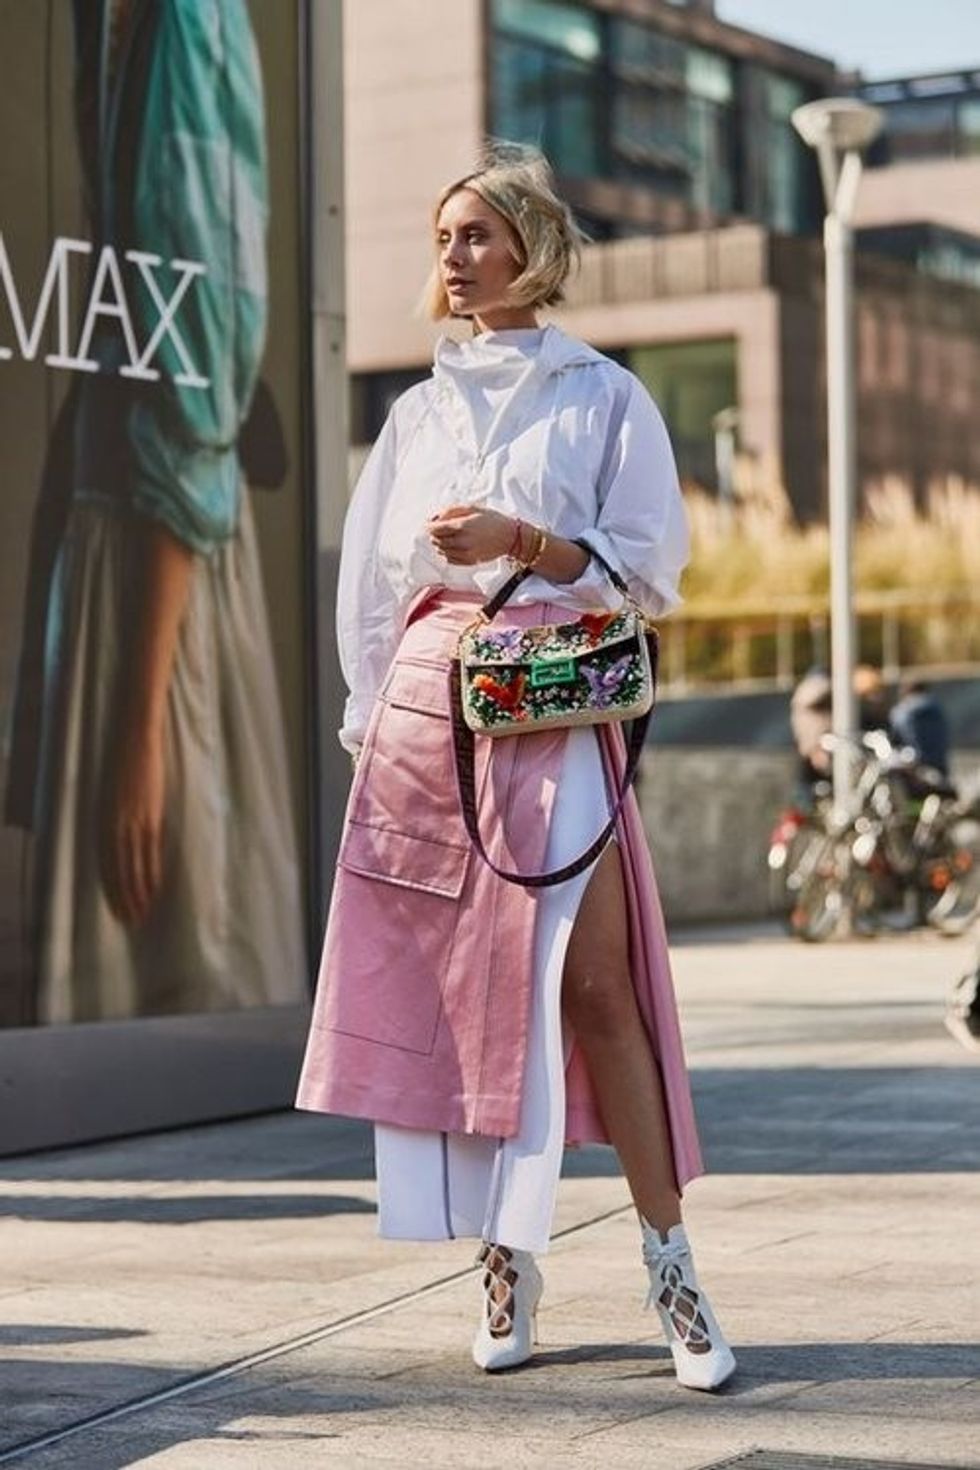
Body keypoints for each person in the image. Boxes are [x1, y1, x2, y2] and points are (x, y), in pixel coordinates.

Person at [296, 145, 735, 1389]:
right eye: (443, 236)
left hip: (552, 701)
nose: (453, 255)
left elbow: (649, 571)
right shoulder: (416, 412)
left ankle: (671, 1270)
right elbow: (373, 593)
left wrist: (523, 540)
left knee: (597, 994)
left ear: (532, 247)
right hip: (427, 720)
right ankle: (505, 1261)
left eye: (476, 234)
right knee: (467, 1001)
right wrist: (365, 727)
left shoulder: (601, 395)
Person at [4, 0, 305, 1021]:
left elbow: (198, 360)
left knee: (178, 943)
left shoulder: (186, 23)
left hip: (153, 573)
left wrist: (138, 729)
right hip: (124, 539)